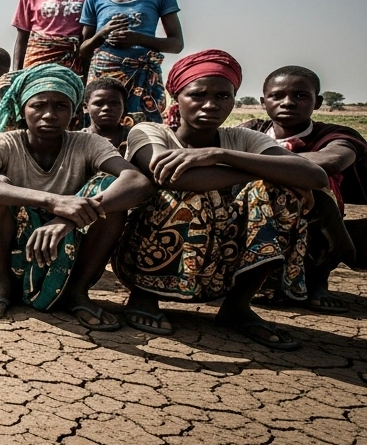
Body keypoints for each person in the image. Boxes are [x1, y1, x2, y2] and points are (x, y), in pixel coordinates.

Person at [116, 51, 327, 349]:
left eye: (222, 96)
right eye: (198, 95)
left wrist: (220, 155)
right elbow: (176, 178)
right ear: (177, 97)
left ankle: (237, 306)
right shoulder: (151, 131)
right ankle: (144, 294)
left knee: (283, 194)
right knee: (193, 197)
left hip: (220, 260)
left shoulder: (241, 139)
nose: (211, 105)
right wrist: (254, 171)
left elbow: (315, 176)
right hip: (148, 255)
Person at [0, 64, 153, 329]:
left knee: (109, 190)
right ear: (22, 109)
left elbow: (138, 181)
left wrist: (69, 219)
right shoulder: (3, 142)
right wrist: (52, 201)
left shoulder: (88, 143)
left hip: (70, 244)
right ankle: (2, 283)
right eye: (38, 105)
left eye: (61, 106)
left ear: (74, 112)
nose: (49, 115)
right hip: (15, 246)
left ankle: (77, 291)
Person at [241, 66, 365, 312]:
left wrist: (241, 161)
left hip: (314, 221)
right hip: (252, 217)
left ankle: (317, 279)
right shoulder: (251, 130)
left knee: (314, 182)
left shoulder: (333, 134)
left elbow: (331, 162)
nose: (287, 102)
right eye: (277, 96)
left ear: (317, 102)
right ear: (263, 101)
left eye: (300, 95)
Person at [79, 0, 184, 123]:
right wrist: (101, 34)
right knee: (101, 127)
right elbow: (84, 50)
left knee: (144, 129)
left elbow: (176, 44)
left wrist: (137, 39)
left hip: (142, 75)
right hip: (103, 76)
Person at [84, 77, 133, 153]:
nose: (106, 108)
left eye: (114, 103)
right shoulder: (77, 141)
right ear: (85, 107)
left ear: (124, 107)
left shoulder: (134, 138)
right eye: (98, 104)